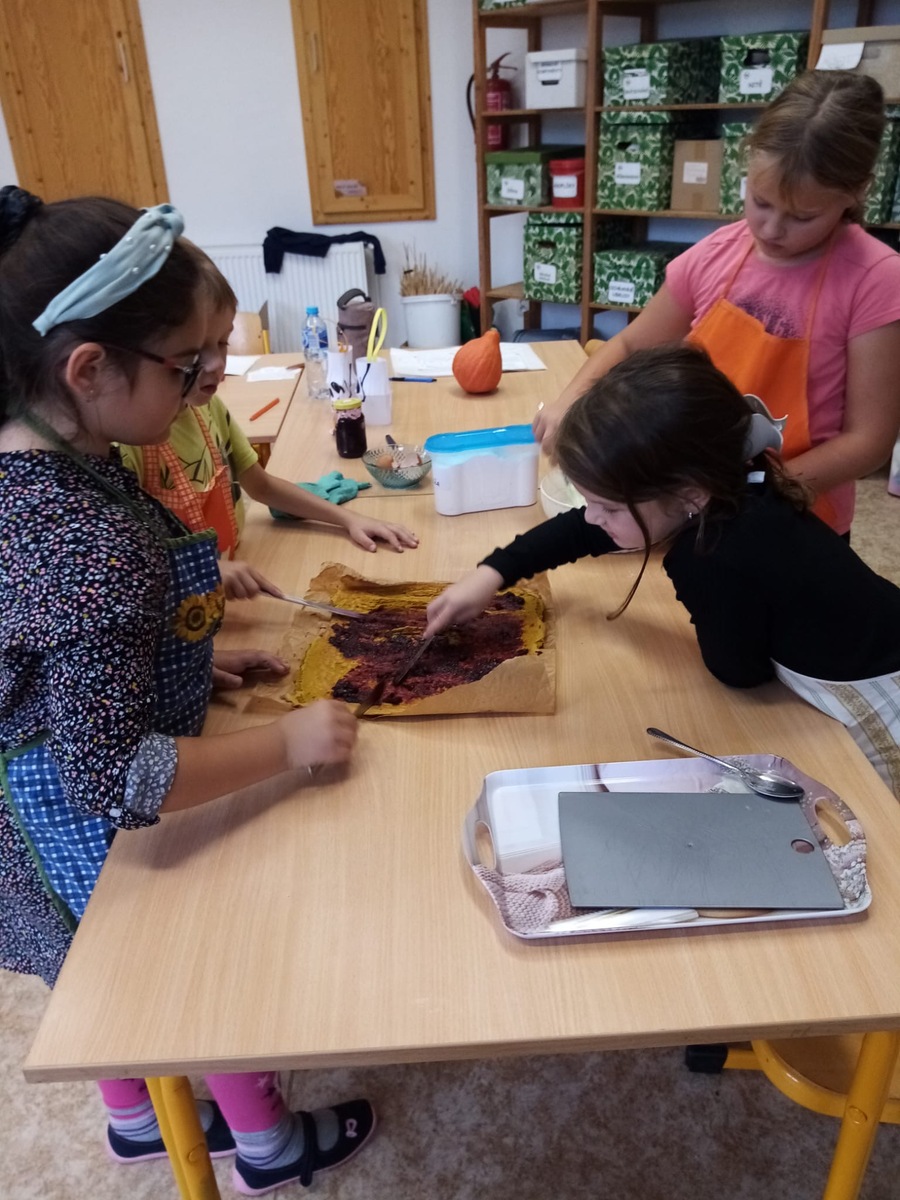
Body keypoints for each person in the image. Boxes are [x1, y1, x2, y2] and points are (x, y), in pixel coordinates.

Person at [0, 187, 374, 1194]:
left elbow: (49, 656)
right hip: (58, 820)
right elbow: (111, 776)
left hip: (27, 780)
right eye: (189, 363)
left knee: (91, 973)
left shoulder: (49, 453)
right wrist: (288, 745)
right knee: (177, 975)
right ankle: (268, 1146)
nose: (213, 381)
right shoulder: (86, 540)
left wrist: (186, 662)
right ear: (88, 369)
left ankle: (133, 1121)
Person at [427, 344, 900, 797]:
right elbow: (585, 528)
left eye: (607, 507)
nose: (592, 517)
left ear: (689, 495)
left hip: (877, 692)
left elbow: (739, 672)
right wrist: (492, 573)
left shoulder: (713, 556)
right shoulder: (731, 478)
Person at [534, 70, 900, 537]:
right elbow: (629, 346)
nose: (771, 229)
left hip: (798, 519)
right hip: (697, 506)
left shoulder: (876, 279)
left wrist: (758, 490)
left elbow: (869, 440)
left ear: (857, 192)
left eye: (803, 216)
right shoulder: (717, 254)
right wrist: (570, 402)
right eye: (760, 201)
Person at [118, 248, 418, 602]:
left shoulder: (209, 410)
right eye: (195, 351)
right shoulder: (131, 445)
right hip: (187, 607)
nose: (217, 364)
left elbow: (261, 486)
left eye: (223, 342)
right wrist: (204, 571)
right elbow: (130, 572)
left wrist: (347, 519)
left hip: (232, 583)